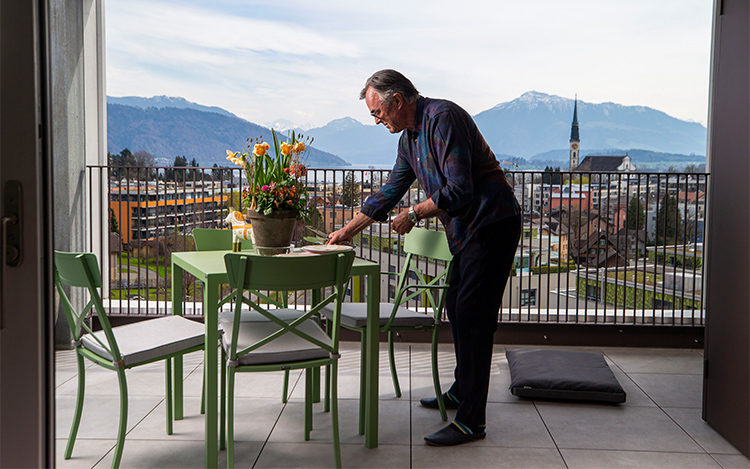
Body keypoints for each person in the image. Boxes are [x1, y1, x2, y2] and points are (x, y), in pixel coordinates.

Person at [327, 69, 522, 446]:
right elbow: (388, 193)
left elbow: (460, 189)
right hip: (467, 231)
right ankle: (461, 390)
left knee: (474, 315)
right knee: (455, 304)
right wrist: (346, 232)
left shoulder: (442, 118)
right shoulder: (408, 141)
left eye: (377, 113)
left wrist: (415, 214)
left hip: (493, 223)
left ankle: (471, 421)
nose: (377, 120)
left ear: (397, 101)